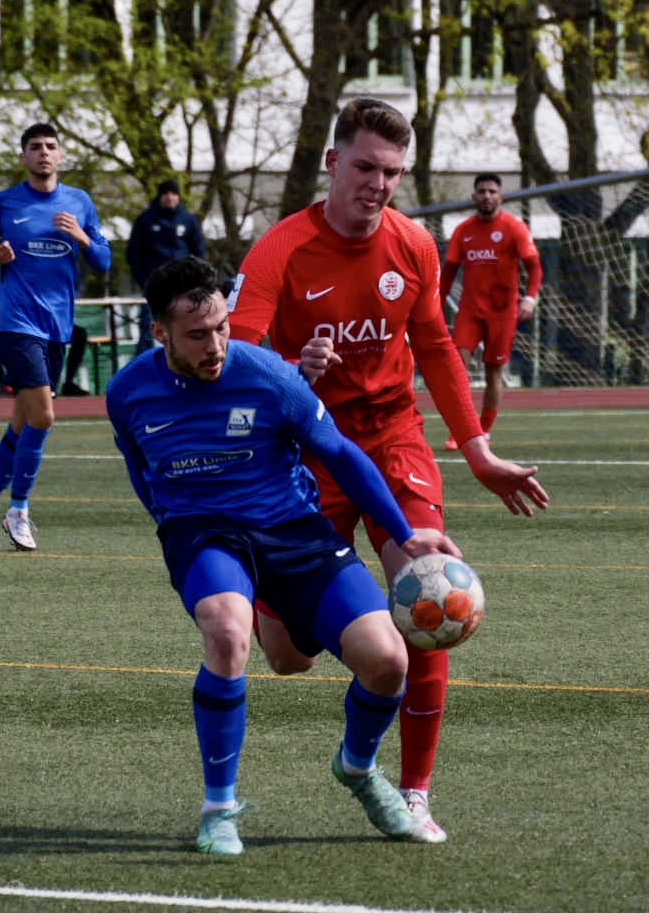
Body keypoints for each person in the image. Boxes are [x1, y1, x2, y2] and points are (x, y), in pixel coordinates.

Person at [228, 97, 549, 844]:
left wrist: (477, 453)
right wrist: (289, 366)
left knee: (430, 594)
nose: (378, 184)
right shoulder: (279, 250)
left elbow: (435, 348)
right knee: (287, 658)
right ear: (334, 163)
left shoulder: (414, 245)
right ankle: (280, 607)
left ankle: (411, 789)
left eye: (393, 173)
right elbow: (237, 362)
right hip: (308, 447)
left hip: (392, 437)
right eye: (366, 167)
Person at [108, 255, 465, 855]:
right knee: (226, 631)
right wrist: (170, 522)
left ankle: (356, 766)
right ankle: (219, 810)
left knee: (388, 660)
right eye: (196, 334)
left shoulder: (269, 374)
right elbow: (140, 469)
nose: (215, 343)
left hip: (293, 528)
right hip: (203, 531)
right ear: (159, 334)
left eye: (221, 326)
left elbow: (343, 454)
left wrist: (405, 534)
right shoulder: (127, 392)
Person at [0, 122, 110, 551]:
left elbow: (102, 261)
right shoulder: (4, 203)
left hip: (57, 328)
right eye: (35, 147)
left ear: (60, 155)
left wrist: (82, 238)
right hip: (15, 323)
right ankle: (18, 510)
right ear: (23, 156)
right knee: (43, 416)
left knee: (23, 422)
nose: (43, 153)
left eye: (50, 146)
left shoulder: (79, 202)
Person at [439, 173, 543, 448]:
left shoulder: (513, 228)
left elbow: (534, 266)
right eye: (481, 191)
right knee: (456, 366)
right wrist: (435, 303)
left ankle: (483, 430)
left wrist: (529, 299)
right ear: (474, 197)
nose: (486, 196)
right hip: (470, 311)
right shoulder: (463, 230)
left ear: (501, 196)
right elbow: (449, 271)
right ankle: (461, 430)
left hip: (501, 312)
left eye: (492, 191)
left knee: (492, 371)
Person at [126, 178, 205, 355]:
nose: (169, 198)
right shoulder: (146, 220)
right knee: (148, 331)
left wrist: (195, 280)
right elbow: (133, 253)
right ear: (160, 196)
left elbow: (198, 252)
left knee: (186, 328)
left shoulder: (188, 220)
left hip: (183, 288)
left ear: (178, 197)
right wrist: (143, 281)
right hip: (153, 288)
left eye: (173, 194)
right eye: (166, 194)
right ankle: (142, 374)